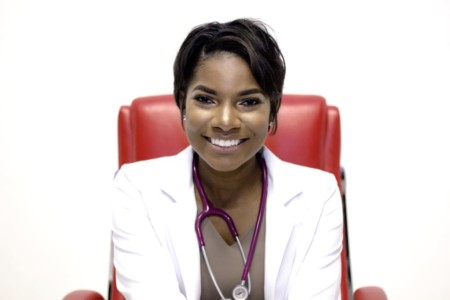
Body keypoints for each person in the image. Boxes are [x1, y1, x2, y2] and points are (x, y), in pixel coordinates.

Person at [112, 18, 343, 300]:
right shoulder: (135, 190)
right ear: (182, 102)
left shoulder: (320, 196)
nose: (225, 121)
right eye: (206, 99)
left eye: (248, 102)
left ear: (272, 111)